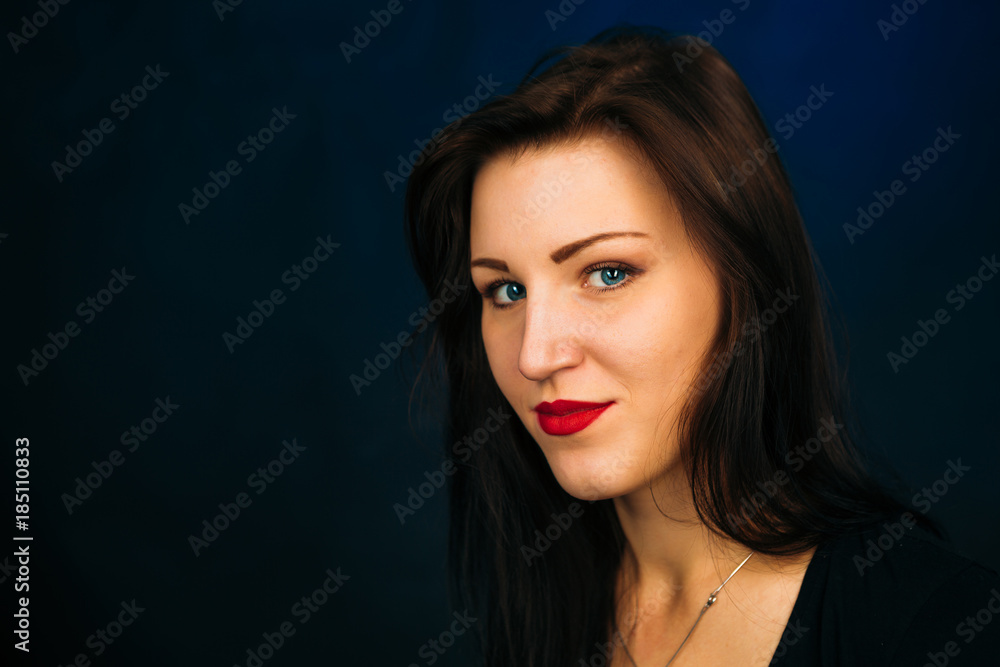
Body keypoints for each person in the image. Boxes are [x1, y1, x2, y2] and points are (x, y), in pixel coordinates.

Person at [403, 26, 1000, 666]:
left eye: (608, 273)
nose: (535, 356)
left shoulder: (934, 628)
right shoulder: (535, 604)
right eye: (506, 291)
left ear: (744, 284)